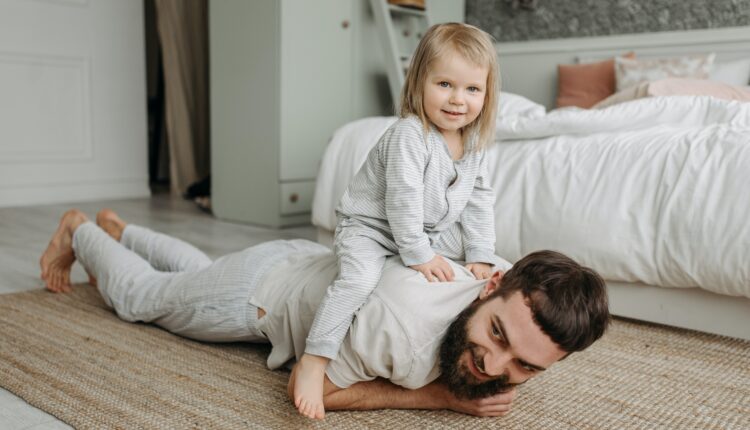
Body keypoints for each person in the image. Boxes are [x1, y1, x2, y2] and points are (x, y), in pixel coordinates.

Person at [40, 209, 611, 418]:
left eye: (526, 367)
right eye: (496, 336)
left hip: (309, 265)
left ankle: (127, 231)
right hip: (259, 294)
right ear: (490, 288)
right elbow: (313, 388)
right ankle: (82, 231)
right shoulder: (401, 322)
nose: (494, 367)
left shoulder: (513, 282)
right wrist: (437, 396)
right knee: (143, 300)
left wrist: (510, 355)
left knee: (192, 276)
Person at [295, 22, 502, 418]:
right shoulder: (410, 134)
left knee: (473, 267)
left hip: (423, 230)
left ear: (487, 93)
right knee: (356, 280)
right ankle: (315, 360)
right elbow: (403, 198)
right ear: (419, 82)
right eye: (444, 84)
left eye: (472, 89)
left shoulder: (473, 143)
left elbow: (478, 199)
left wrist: (479, 251)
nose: (458, 100)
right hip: (371, 229)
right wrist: (418, 254)